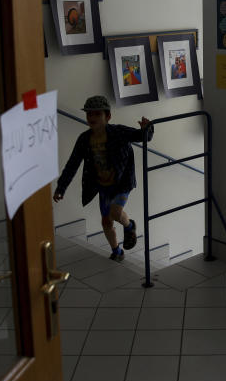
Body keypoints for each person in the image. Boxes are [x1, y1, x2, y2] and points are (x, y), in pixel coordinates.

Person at [53, 95, 153, 261]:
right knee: (106, 222)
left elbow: (142, 137)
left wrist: (147, 128)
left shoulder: (118, 132)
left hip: (122, 184)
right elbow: (72, 164)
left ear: (108, 117)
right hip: (103, 187)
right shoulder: (84, 139)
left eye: (97, 114)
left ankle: (130, 226)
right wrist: (61, 187)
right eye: (89, 114)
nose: (92, 118)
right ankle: (117, 251)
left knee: (115, 212)